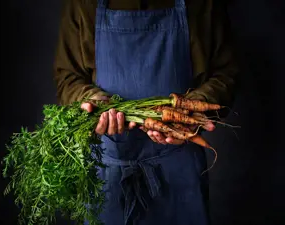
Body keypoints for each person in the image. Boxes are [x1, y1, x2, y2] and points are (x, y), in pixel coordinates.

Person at [53, 0, 239, 224]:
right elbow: (67, 77)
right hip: (108, 174)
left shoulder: (203, 4)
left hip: (180, 170)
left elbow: (226, 71)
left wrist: (197, 104)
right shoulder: (83, 4)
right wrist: (91, 101)